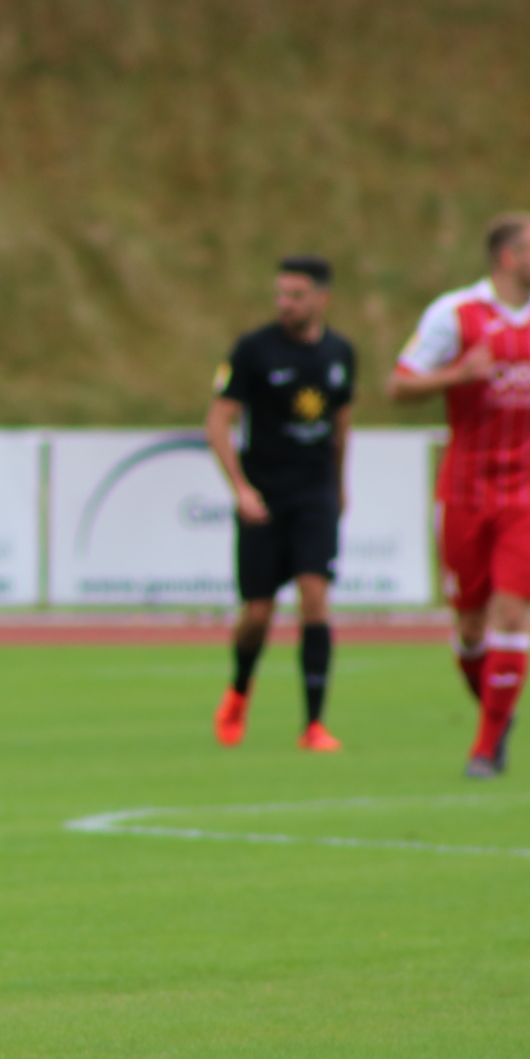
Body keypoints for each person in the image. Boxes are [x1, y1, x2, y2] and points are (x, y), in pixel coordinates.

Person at [388, 213, 530, 778]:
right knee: (471, 628)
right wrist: (458, 375)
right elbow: (399, 384)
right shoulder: (455, 315)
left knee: (512, 613)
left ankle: (485, 748)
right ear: (509, 258)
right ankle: (497, 714)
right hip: (466, 491)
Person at [206, 256, 356, 752]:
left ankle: (314, 725)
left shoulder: (340, 353)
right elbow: (218, 422)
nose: (285, 304)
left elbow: (341, 426)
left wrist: (339, 486)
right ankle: (238, 692)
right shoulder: (254, 350)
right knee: (258, 614)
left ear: (322, 299)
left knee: (315, 596)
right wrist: (241, 488)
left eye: (296, 295)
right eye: (280, 295)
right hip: (265, 498)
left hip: (314, 495)